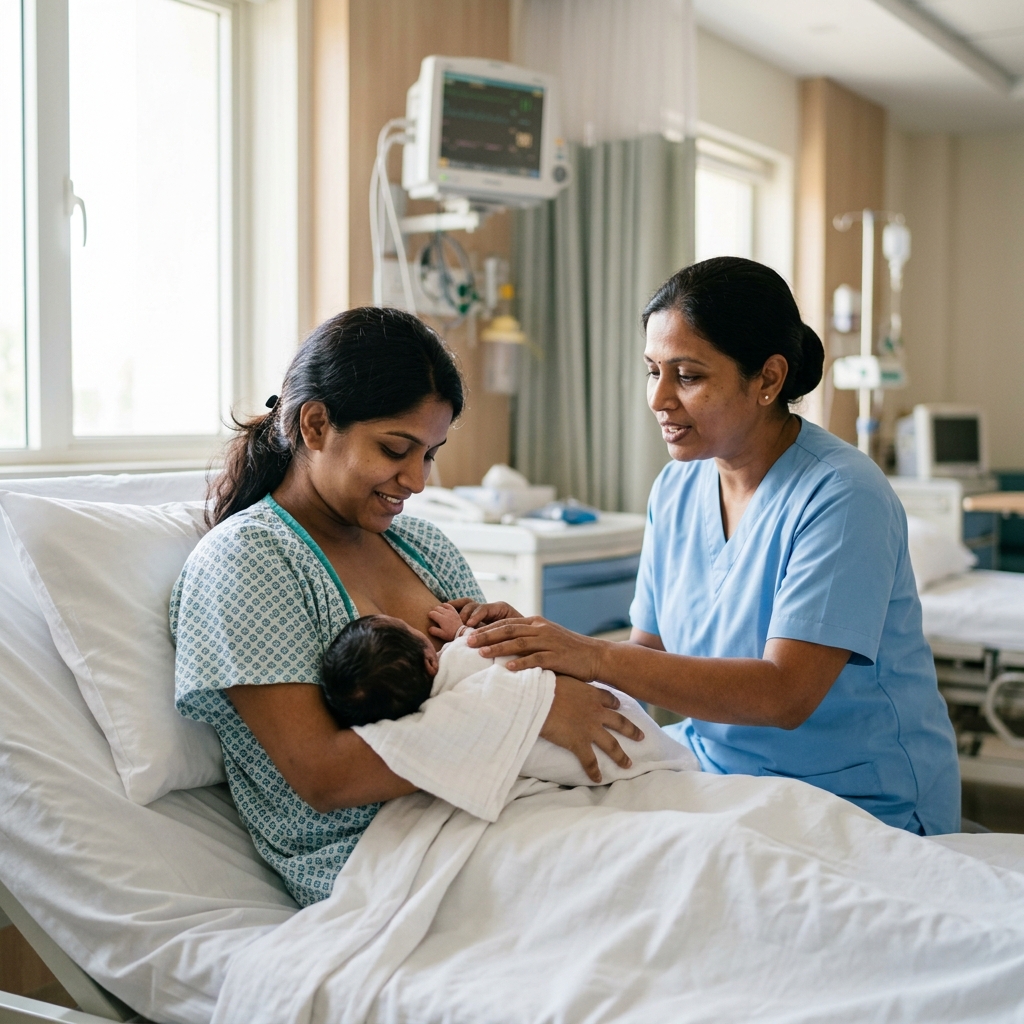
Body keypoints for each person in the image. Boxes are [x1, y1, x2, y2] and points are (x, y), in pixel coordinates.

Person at [467, 256, 961, 836]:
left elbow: (785, 695)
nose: (658, 399)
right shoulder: (676, 488)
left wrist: (589, 654)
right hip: (719, 776)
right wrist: (529, 677)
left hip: (857, 798)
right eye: (653, 371)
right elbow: (645, 656)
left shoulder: (843, 496)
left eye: (689, 376)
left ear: (768, 380)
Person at [170, 307, 641, 907]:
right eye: (396, 449)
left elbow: (489, 677)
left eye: (430, 454)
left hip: (503, 807)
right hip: (387, 858)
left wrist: (527, 656)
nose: (416, 481)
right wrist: (526, 717)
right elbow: (325, 776)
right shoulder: (247, 562)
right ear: (314, 425)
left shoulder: (421, 547)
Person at [319, 602, 697, 786]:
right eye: (420, 638)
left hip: (585, 729)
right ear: (430, 662)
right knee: (631, 742)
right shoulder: (458, 668)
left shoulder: (424, 708)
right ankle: (665, 762)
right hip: (600, 734)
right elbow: (479, 653)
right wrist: (459, 630)